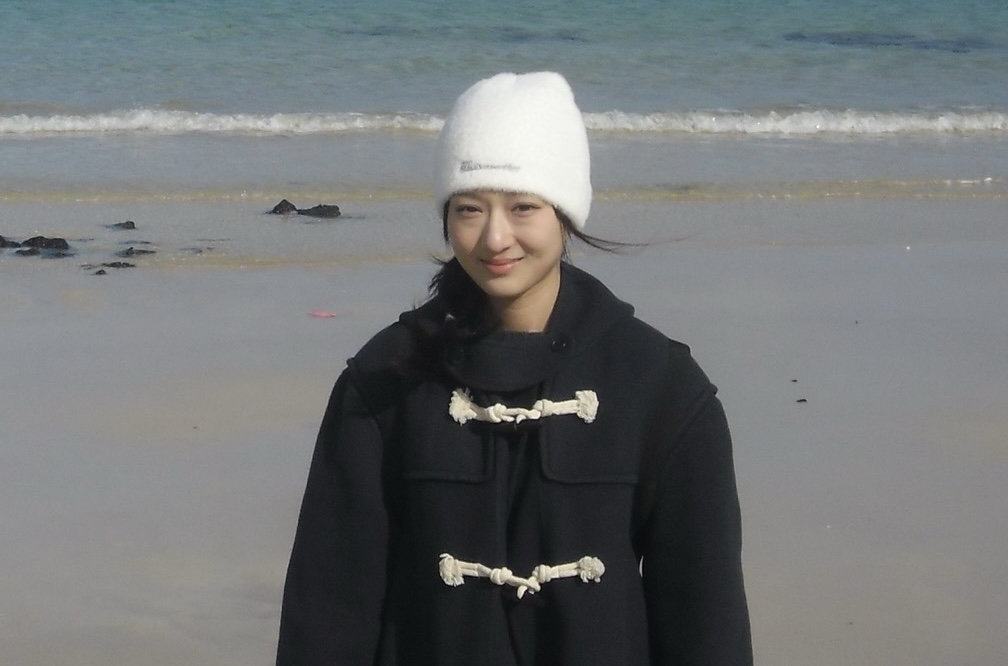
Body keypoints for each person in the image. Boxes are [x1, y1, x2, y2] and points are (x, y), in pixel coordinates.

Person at [276, 71, 752, 665]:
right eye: (470, 208)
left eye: (523, 206)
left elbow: (707, 624)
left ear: (565, 213)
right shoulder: (383, 381)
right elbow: (327, 611)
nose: (495, 238)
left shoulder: (662, 388)